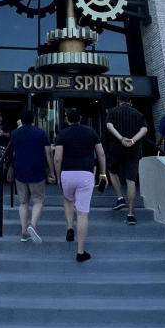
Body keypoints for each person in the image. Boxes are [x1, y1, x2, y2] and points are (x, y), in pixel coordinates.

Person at [54, 107, 107, 263]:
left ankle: (70, 227)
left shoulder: (62, 134)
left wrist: (58, 176)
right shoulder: (90, 132)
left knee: (68, 199)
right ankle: (80, 252)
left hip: (67, 173)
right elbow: (101, 154)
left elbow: (57, 158)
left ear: (67, 119)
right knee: (82, 213)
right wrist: (103, 174)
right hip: (86, 174)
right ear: (80, 118)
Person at [9, 108, 52, 243]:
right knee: (38, 200)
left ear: (21, 120)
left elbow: (13, 152)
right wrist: (51, 170)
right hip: (37, 169)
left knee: (23, 202)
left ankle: (24, 232)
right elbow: (48, 152)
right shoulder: (41, 133)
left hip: (20, 169)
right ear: (34, 120)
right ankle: (32, 225)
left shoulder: (15, 133)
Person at [104, 95, 148, 226]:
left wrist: (121, 139)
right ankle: (130, 214)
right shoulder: (138, 113)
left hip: (116, 148)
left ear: (119, 101)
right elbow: (144, 129)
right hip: (134, 150)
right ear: (130, 102)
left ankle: (120, 197)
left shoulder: (113, 112)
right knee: (131, 180)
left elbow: (109, 126)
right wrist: (133, 140)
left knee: (112, 171)